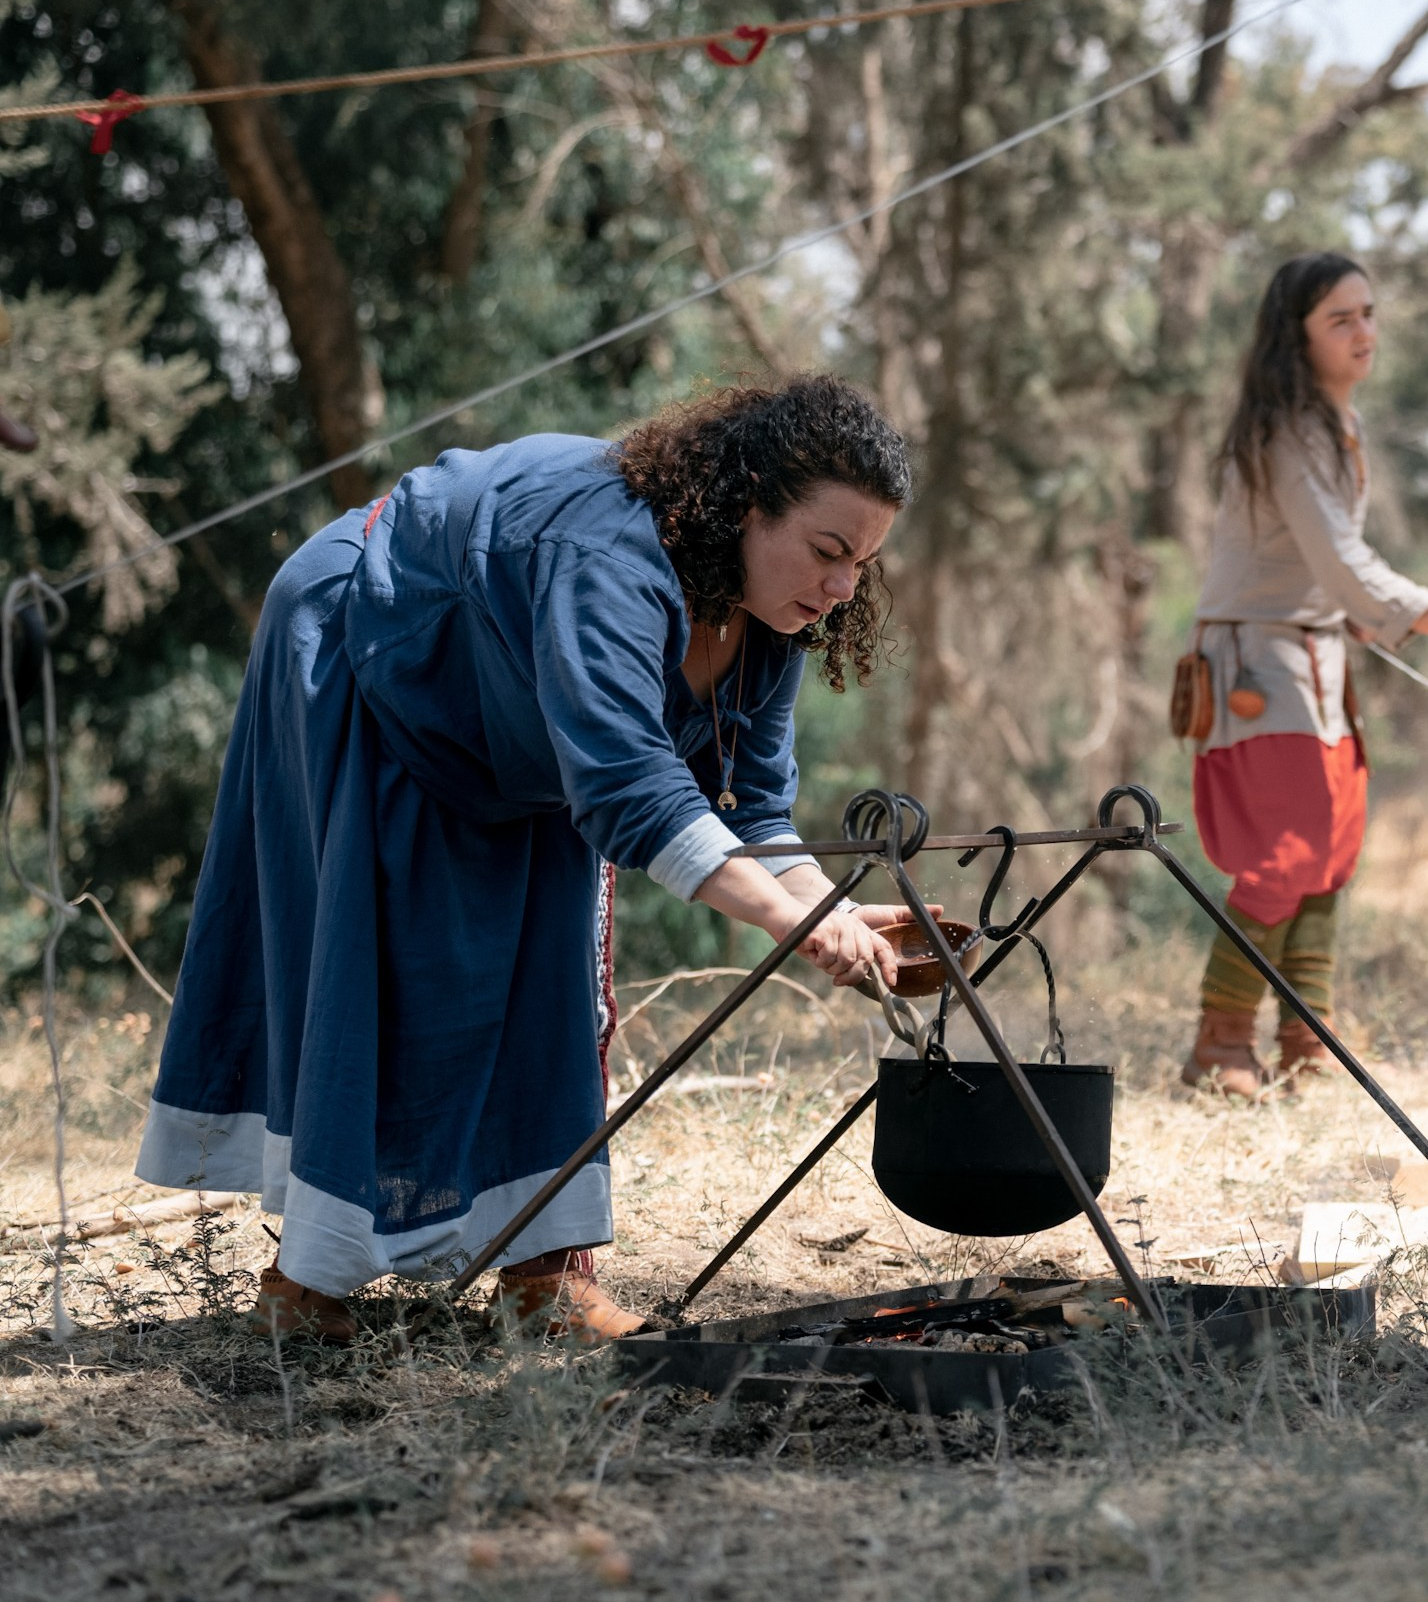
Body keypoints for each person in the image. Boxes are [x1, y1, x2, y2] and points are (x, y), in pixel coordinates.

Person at [137, 377, 917, 1342]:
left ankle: (542, 1281)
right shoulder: (608, 554)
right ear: (747, 507)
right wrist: (785, 915)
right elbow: (631, 787)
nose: (843, 588)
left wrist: (827, 909)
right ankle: (309, 1287)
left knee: (547, 966)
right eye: (829, 551)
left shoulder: (774, 614)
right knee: (383, 959)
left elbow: (752, 804)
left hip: (520, 729)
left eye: (864, 564)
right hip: (375, 644)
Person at [1183, 252, 1428, 1097]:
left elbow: (1340, 583)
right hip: (1260, 665)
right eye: (1342, 318)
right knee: (1285, 854)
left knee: (1329, 853)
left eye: (1369, 313)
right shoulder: (1284, 433)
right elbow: (1344, 564)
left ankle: (1306, 1044)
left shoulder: (1335, 425)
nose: (1365, 332)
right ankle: (1221, 1046)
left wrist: (1396, 618)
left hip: (1315, 661)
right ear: (1296, 338)